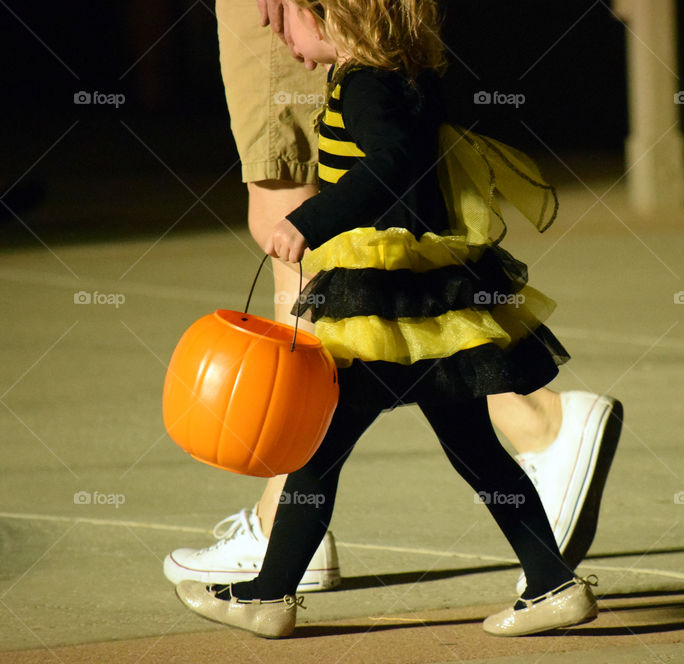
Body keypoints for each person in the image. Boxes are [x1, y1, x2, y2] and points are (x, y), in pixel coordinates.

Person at [174, 0, 606, 638]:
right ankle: (552, 585)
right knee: (476, 449)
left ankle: (269, 596)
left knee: (319, 447)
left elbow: (392, 165)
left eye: (289, 15)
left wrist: (307, 221)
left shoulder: (363, 84)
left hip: (385, 305)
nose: (275, 28)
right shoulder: (405, 74)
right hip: (427, 301)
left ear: (333, 14)